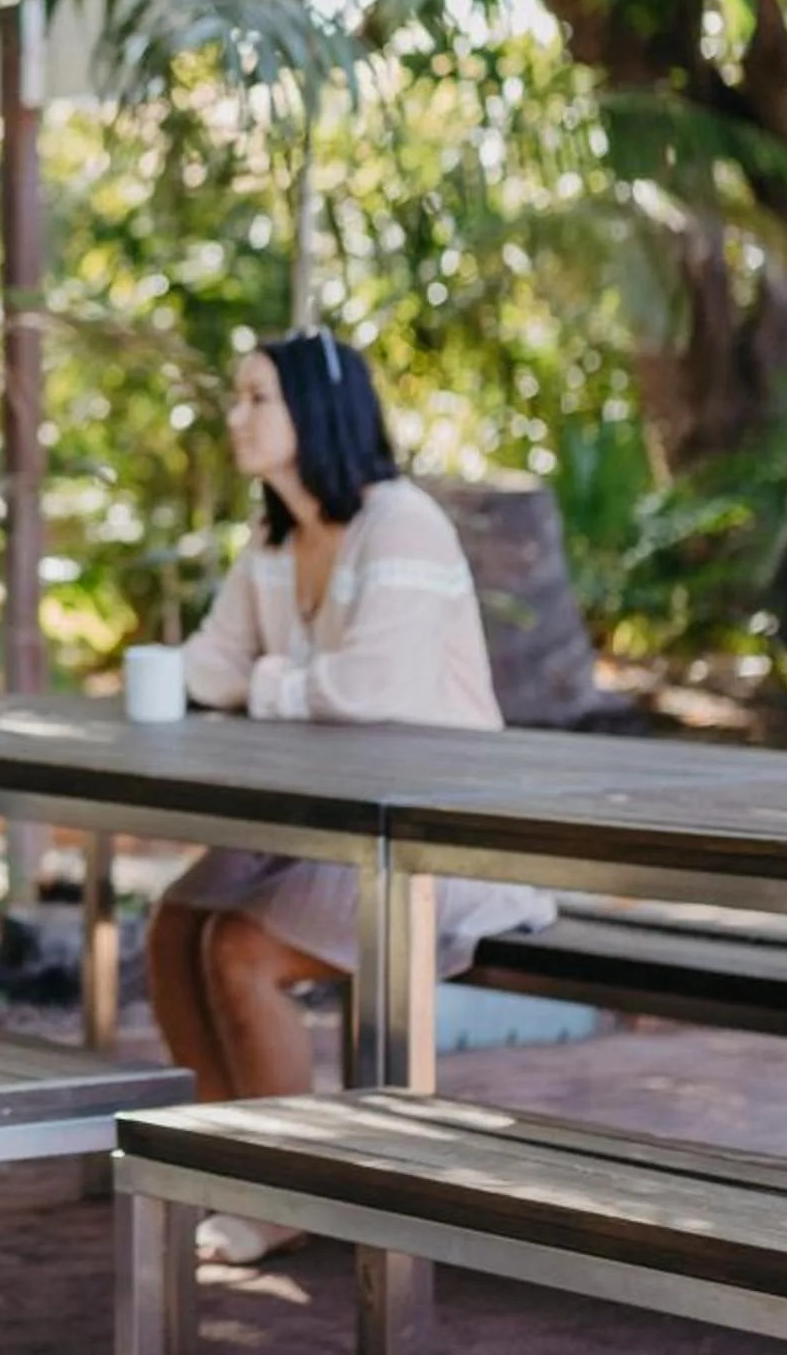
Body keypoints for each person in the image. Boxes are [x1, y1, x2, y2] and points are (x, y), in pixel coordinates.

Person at [144, 327, 556, 1266]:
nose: (235, 416)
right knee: (175, 925)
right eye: (237, 395)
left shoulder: (400, 523)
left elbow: (373, 691)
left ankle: (293, 1190)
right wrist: (187, 677)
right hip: (329, 826)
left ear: (315, 412)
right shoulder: (278, 537)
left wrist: (266, 680)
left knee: (239, 948)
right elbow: (214, 663)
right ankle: (229, 1158)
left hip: (434, 837)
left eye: (257, 398)